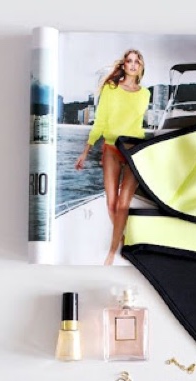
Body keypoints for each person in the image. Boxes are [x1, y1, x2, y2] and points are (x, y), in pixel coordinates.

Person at [75, 49, 150, 265]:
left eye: (137, 62)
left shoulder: (145, 94)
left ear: (141, 67)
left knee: (123, 204)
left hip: (134, 149)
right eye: (129, 61)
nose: (133, 65)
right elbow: (101, 121)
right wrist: (86, 151)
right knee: (111, 203)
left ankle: (112, 251)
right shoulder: (110, 89)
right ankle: (124, 240)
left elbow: (136, 124)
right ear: (124, 65)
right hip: (111, 148)